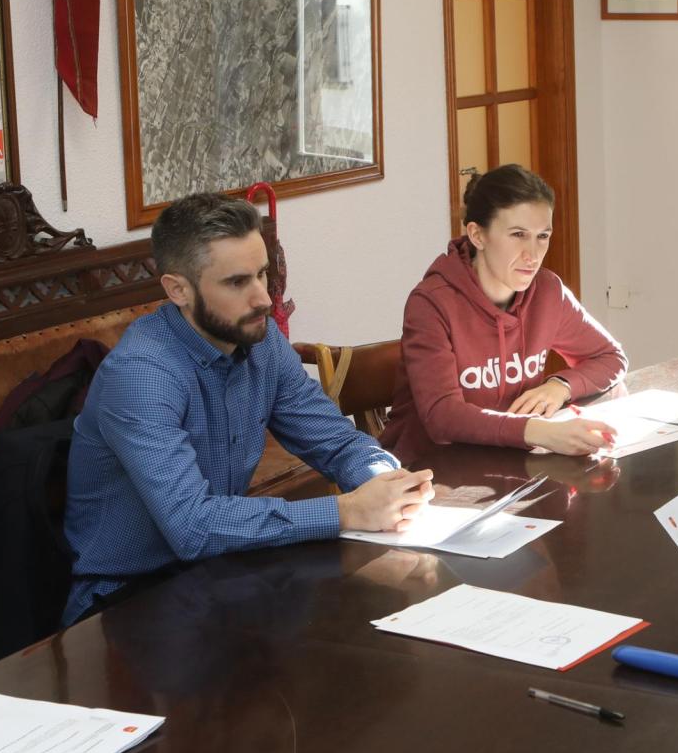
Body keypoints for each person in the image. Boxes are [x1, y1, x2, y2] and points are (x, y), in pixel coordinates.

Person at [62, 193, 433, 623]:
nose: (262, 298)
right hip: (128, 604)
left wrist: (386, 482)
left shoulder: (260, 339)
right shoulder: (142, 377)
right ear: (178, 289)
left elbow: (332, 439)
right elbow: (193, 527)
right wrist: (348, 511)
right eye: (237, 282)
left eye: (262, 274)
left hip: (219, 572)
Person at [382, 165, 627, 457]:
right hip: (430, 470)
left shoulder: (548, 291)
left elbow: (611, 357)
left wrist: (560, 386)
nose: (533, 255)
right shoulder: (431, 303)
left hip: (510, 459)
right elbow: (442, 417)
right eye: (518, 234)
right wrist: (538, 430)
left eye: (542, 236)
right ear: (477, 235)